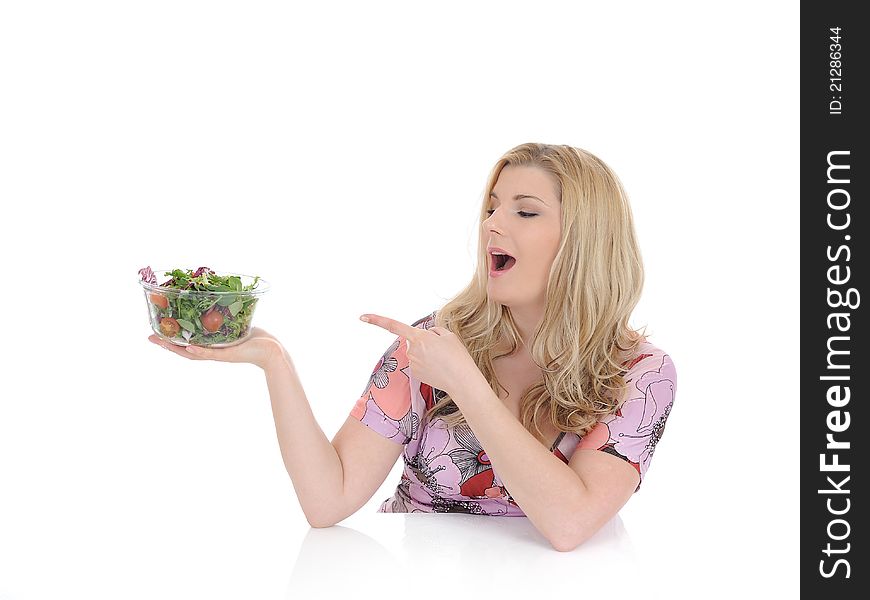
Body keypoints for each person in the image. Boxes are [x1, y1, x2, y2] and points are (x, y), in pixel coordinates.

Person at [148, 143, 677, 552]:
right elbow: (327, 500)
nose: (491, 223)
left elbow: (569, 525)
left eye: (525, 211)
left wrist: (467, 386)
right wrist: (275, 363)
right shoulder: (433, 344)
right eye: (492, 208)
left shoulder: (641, 373)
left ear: (585, 241)